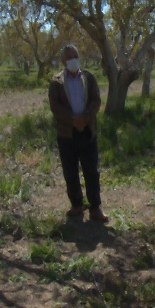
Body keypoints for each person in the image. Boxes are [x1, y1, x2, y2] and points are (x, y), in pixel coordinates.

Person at [48, 44, 108, 223]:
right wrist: (73, 119)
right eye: (68, 57)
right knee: (70, 171)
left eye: (75, 56)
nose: (72, 60)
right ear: (63, 61)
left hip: (87, 131)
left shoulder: (89, 78)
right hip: (67, 133)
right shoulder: (56, 81)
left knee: (91, 170)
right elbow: (55, 106)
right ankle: (77, 205)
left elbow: (96, 100)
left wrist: (86, 118)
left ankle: (95, 208)